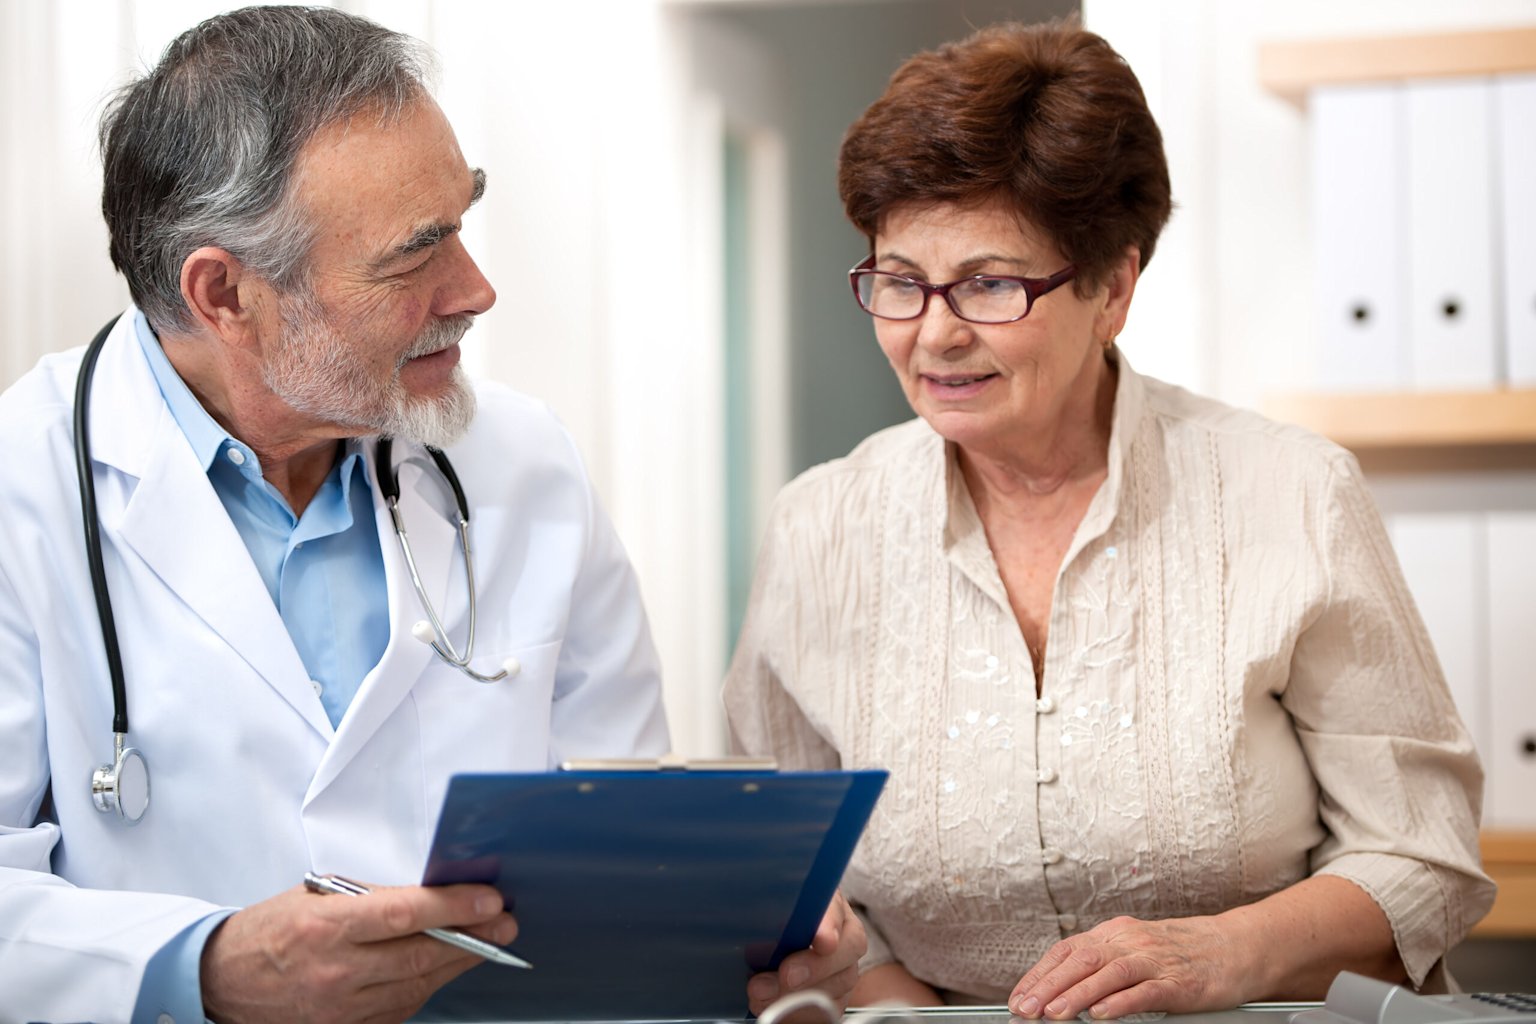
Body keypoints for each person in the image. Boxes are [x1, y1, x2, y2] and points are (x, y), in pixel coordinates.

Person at [0, 8, 861, 1023]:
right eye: (414, 258)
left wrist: (731, 934)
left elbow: (622, 852)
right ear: (225, 293)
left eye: (463, 221)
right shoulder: (27, 490)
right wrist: (207, 965)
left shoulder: (524, 466)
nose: (477, 288)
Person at [723, 19, 1494, 1019]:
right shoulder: (818, 529)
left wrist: (1227, 954)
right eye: (902, 281)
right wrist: (881, 991)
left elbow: (1423, 856)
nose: (936, 333)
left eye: (991, 283)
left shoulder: (1292, 493)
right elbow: (781, 873)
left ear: (1113, 287)